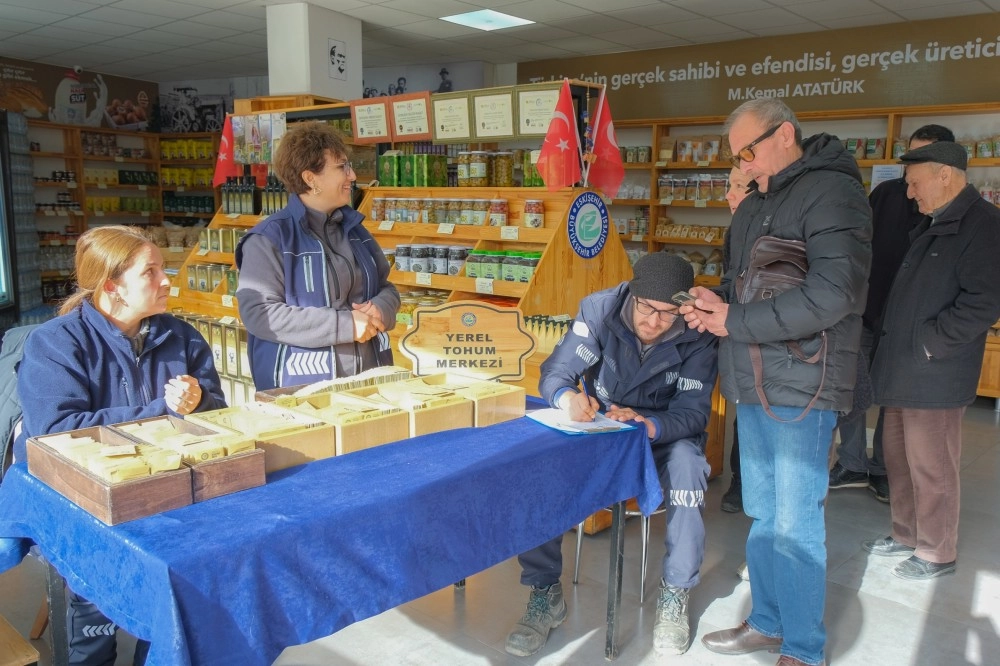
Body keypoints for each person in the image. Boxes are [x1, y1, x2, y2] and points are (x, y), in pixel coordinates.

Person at [684, 98, 871, 666]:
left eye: (749, 151)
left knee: (794, 521)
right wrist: (718, 299)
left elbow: (834, 295)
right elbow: (750, 285)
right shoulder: (756, 204)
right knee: (765, 512)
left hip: (803, 385)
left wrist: (735, 320)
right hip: (754, 378)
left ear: (784, 134)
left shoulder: (835, 194)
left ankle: (804, 648)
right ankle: (767, 622)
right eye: (736, 155)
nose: (742, 165)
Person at [15, 225, 226, 666]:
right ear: (113, 286)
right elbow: (56, 431)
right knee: (93, 623)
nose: (167, 279)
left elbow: (220, 414)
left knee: (179, 613)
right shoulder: (55, 343)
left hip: (171, 497)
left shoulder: (182, 337)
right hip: (88, 506)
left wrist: (199, 401)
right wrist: (162, 413)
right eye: (151, 272)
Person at [505, 252, 718, 658]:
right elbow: (556, 372)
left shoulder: (699, 333)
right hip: (601, 428)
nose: (654, 321)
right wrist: (568, 399)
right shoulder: (600, 309)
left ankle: (675, 594)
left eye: (668, 314)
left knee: (690, 467)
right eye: (647, 309)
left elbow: (693, 413)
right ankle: (543, 591)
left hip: (661, 437)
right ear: (632, 294)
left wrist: (648, 425)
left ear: (684, 308)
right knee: (538, 465)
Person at [864, 141, 1000, 580]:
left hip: (934, 371)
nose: (909, 194)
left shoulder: (983, 225)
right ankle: (906, 534)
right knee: (898, 457)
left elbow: (984, 302)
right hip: (905, 367)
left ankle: (937, 550)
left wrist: (930, 344)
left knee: (932, 463)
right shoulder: (937, 220)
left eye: (914, 183)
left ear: (945, 175)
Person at [829, 124, 955, 504]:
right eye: (909, 154)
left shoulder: (950, 208)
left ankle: (883, 469)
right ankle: (851, 463)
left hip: (910, 325)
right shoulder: (884, 194)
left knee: (893, 400)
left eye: (921, 156)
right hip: (867, 312)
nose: (909, 166)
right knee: (851, 389)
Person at [236, 121, 399, 391]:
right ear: (310, 178)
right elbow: (259, 313)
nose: (352, 175)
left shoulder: (356, 230)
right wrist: (344, 326)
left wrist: (382, 307)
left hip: (369, 382)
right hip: (301, 392)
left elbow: (387, 287)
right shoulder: (269, 239)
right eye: (341, 167)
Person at [720, 166, 753, 515]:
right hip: (739, 337)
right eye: (729, 185)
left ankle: (746, 484)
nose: (729, 194)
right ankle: (740, 482)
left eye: (739, 186)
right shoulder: (736, 230)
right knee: (742, 412)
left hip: (763, 340)